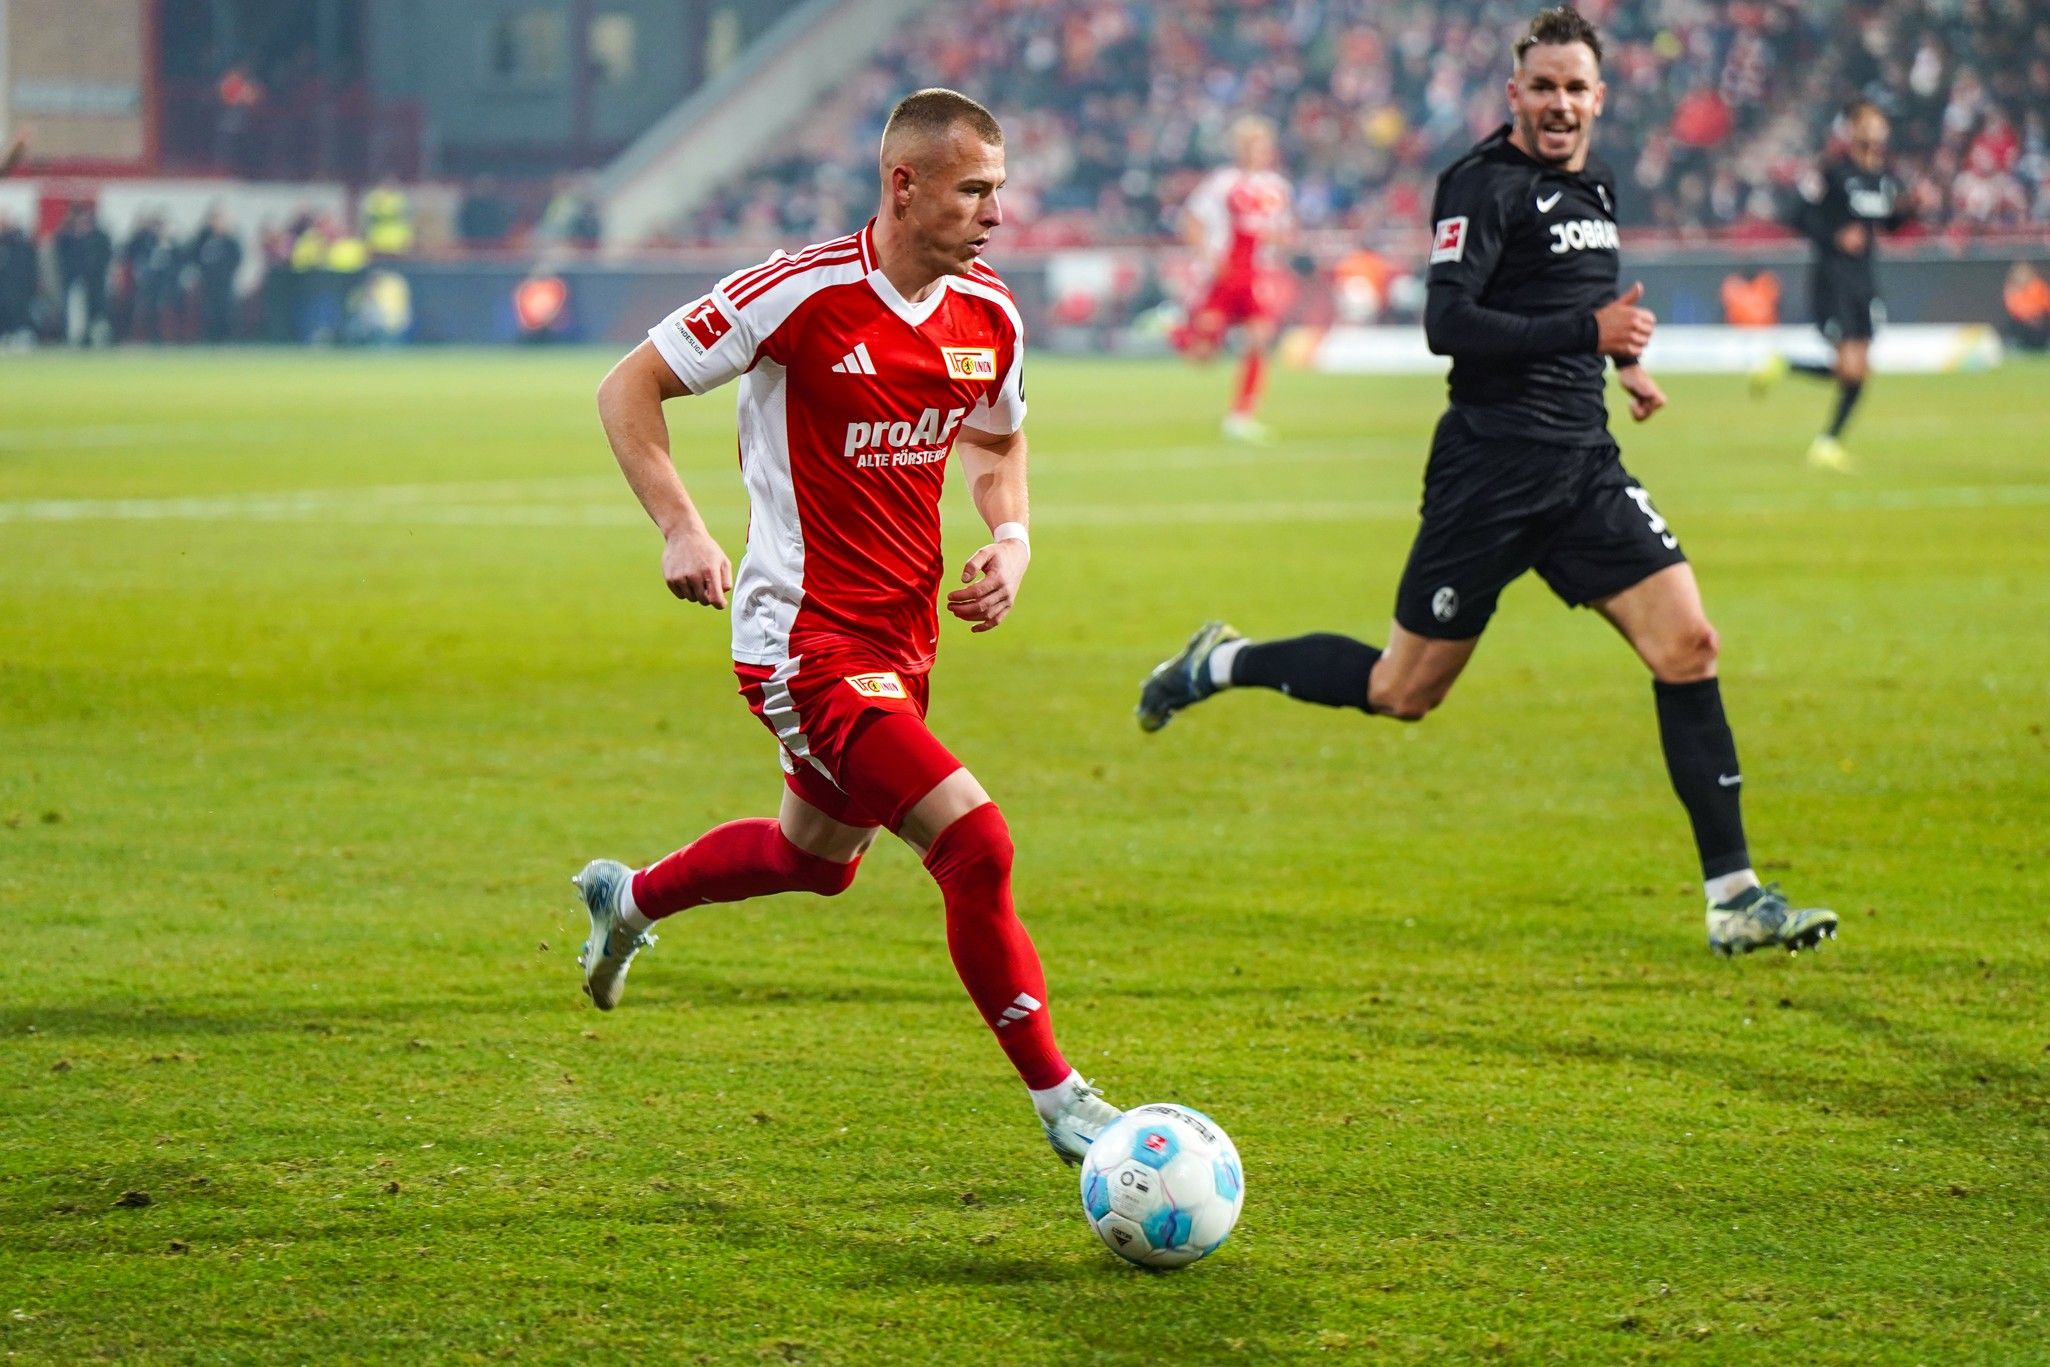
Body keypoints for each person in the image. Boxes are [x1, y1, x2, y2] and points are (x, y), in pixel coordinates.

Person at [1135, 6, 1837, 959]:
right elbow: (1448, 324)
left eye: (1575, 87)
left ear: (1600, 96)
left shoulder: (1596, 183)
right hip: (1490, 471)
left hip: (1583, 467)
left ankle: (1735, 898)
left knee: (1689, 645)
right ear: (1515, 93)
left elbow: (1581, 298)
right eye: (1542, 87)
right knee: (1402, 690)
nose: (1559, 103)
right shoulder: (1479, 184)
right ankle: (1221, 662)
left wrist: (1624, 361)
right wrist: (1589, 334)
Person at [576, 88, 1121, 1165]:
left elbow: (996, 442)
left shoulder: (990, 314)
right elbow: (628, 386)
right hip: (802, 640)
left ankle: (626, 897)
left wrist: (1012, 540)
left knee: (814, 857)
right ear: (903, 185)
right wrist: (681, 527)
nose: (995, 215)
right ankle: (1064, 1102)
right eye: (974, 191)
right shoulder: (800, 292)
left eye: (1000, 191)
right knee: (975, 843)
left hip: (903, 639)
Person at [1750, 100, 1923, 472]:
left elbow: (1888, 225)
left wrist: (1912, 208)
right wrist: (1834, 236)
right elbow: (1796, 216)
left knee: (1857, 371)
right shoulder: (1832, 172)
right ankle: (1826, 443)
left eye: (1880, 122)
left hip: (1864, 279)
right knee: (1850, 367)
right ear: (1853, 129)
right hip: (1833, 279)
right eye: (1869, 122)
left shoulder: (1884, 177)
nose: (1877, 129)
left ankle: (1793, 376)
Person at [1173, 115, 1295, 442]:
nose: (1261, 152)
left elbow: (1283, 231)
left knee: (1259, 338)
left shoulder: (1278, 187)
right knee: (1202, 354)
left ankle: (1241, 416)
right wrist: (1207, 257)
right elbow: (1191, 219)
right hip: (1225, 273)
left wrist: (1280, 242)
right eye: (1254, 146)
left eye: (1264, 147)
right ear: (1241, 149)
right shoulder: (1222, 182)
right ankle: (1170, 327)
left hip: (1256, 274)